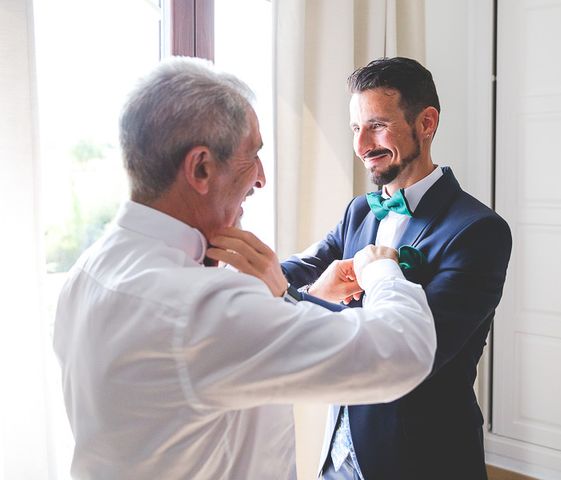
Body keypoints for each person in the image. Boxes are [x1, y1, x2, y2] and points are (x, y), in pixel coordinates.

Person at [53, 56, 438, 480]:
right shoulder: (200, 306)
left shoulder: (89, 269)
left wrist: (303, 298)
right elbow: (404, 352)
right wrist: (381, 270)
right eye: (251, 155)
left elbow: (224, 351)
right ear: (201, 168)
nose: (261, 178)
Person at [281, 57, 513, 480]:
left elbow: (416, 352)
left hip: (420, 458)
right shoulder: (357, 212)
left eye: (377, 125)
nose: (362, 145)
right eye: (355, 128)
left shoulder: (479, 231)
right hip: (338, 452)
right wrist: (251, 276)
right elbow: (305, 266)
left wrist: (308, 302)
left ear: (426, 123)